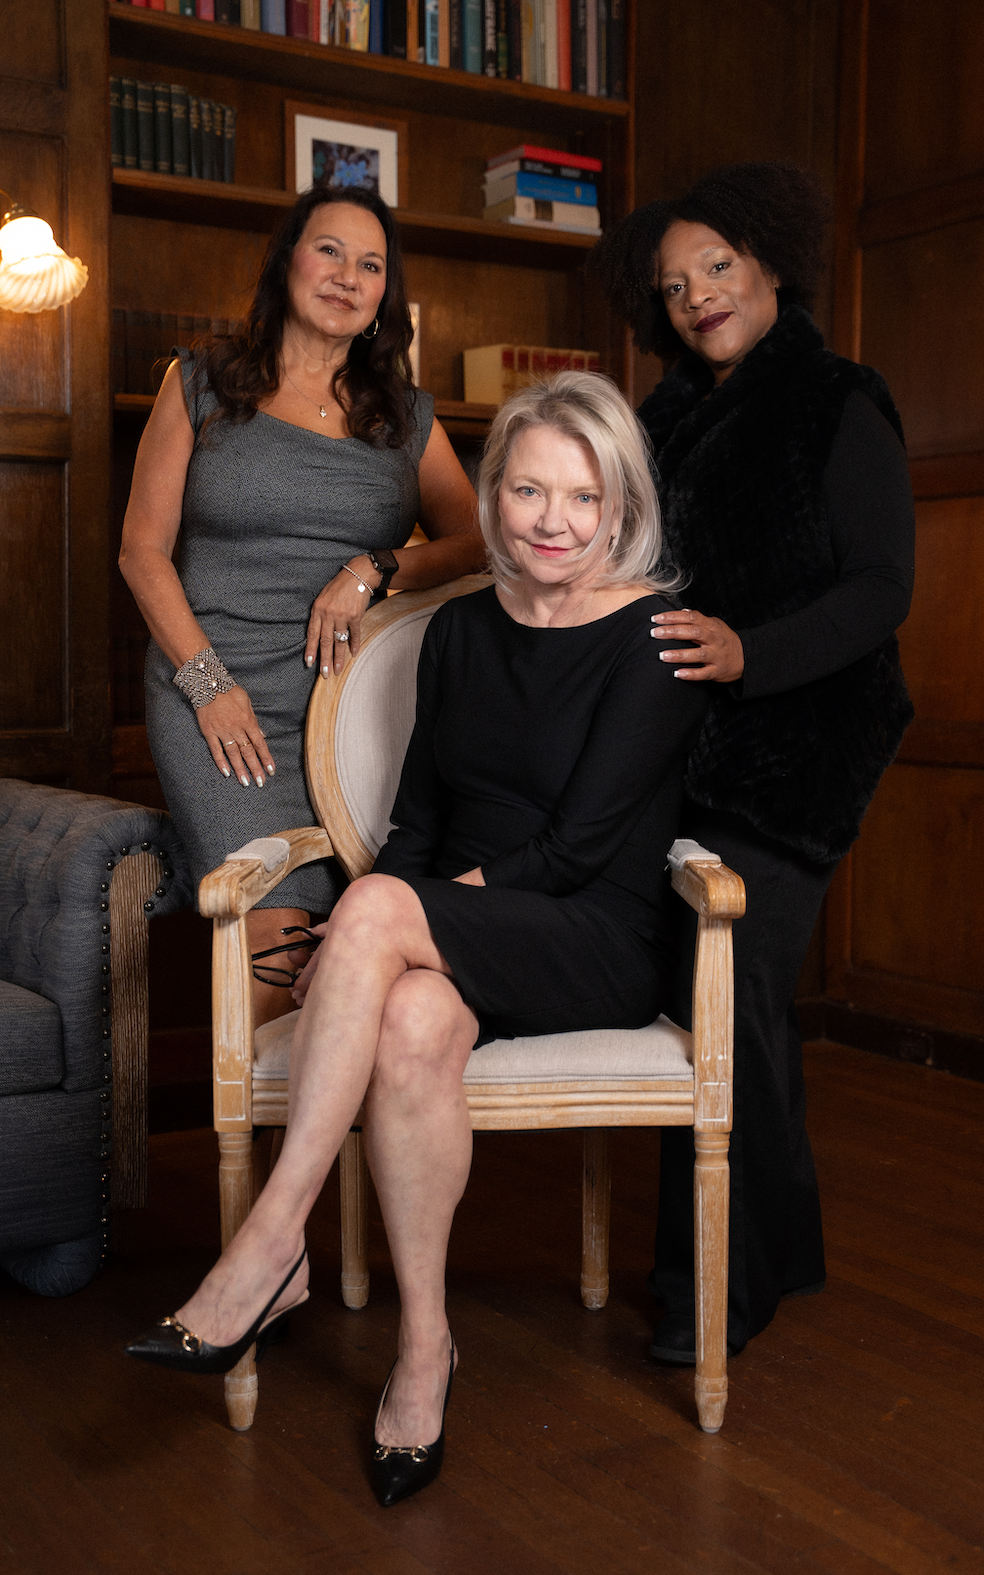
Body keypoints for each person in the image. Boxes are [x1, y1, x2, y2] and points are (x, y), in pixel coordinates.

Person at [124, 372, 710, 1506]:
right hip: (460, 926)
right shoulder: (459, 633)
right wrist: (390, 923)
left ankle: (271, 1244)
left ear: (621, 506)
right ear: (492, 500)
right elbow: (418, 827)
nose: (551, 520)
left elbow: (574, 852)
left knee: (382, 912)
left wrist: (382, 917)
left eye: (582, 497)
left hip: (588, 935)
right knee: (406, 1018)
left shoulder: (653, 639)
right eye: (528, 491)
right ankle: (425, 1348)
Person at [594, 162, 915, 1364]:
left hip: (805, 746)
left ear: (771, 261)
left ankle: (714, 1287)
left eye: (717, 267)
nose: (698, 298)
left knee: (718, 999)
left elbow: (881, 590)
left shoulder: (840, 399)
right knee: (744, 1005)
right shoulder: (663, 419)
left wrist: (747, 652)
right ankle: (789, 1246)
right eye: (674, 286)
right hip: (692, 751)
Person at [119, 184, 484, 1026]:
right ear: (287, 262)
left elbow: (477, 544)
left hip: (357, 709)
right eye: (330, 251)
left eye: (371, 264)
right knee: (278, 937)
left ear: (385, 295)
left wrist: (376, 567)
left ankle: (342, 1108)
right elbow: (141, 552)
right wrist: (209, 686)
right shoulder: (201, 382)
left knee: (361, 942)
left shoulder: (405, 415)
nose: (348, 276)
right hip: (219, 697)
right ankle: (254, 1115)